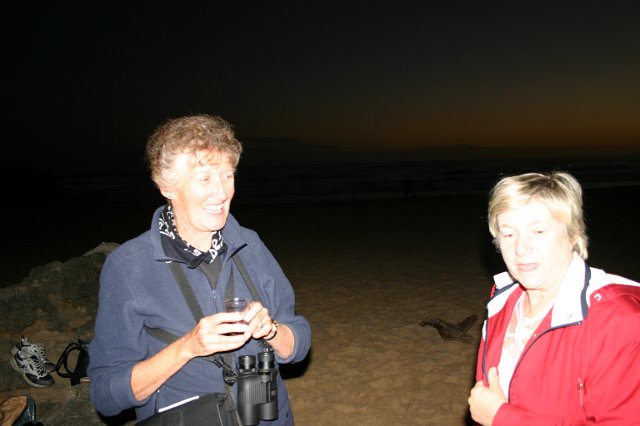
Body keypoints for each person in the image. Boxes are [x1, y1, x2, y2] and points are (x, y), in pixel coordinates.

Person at [88, 114, 311, 424]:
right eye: (204, 178)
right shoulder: (129, 266)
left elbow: (299, 341)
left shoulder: (250, 244)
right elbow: (106, 394)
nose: (221, 192)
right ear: (167, 186)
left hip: (267, 416)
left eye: (227, 176)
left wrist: (271, 330)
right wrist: (188, 347)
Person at [468, 172, 640, 425]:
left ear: (572, 235)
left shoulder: (618, 321)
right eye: (508, 234)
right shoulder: (502, 301)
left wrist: (502, 418)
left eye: (538, 231)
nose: (521, 248)